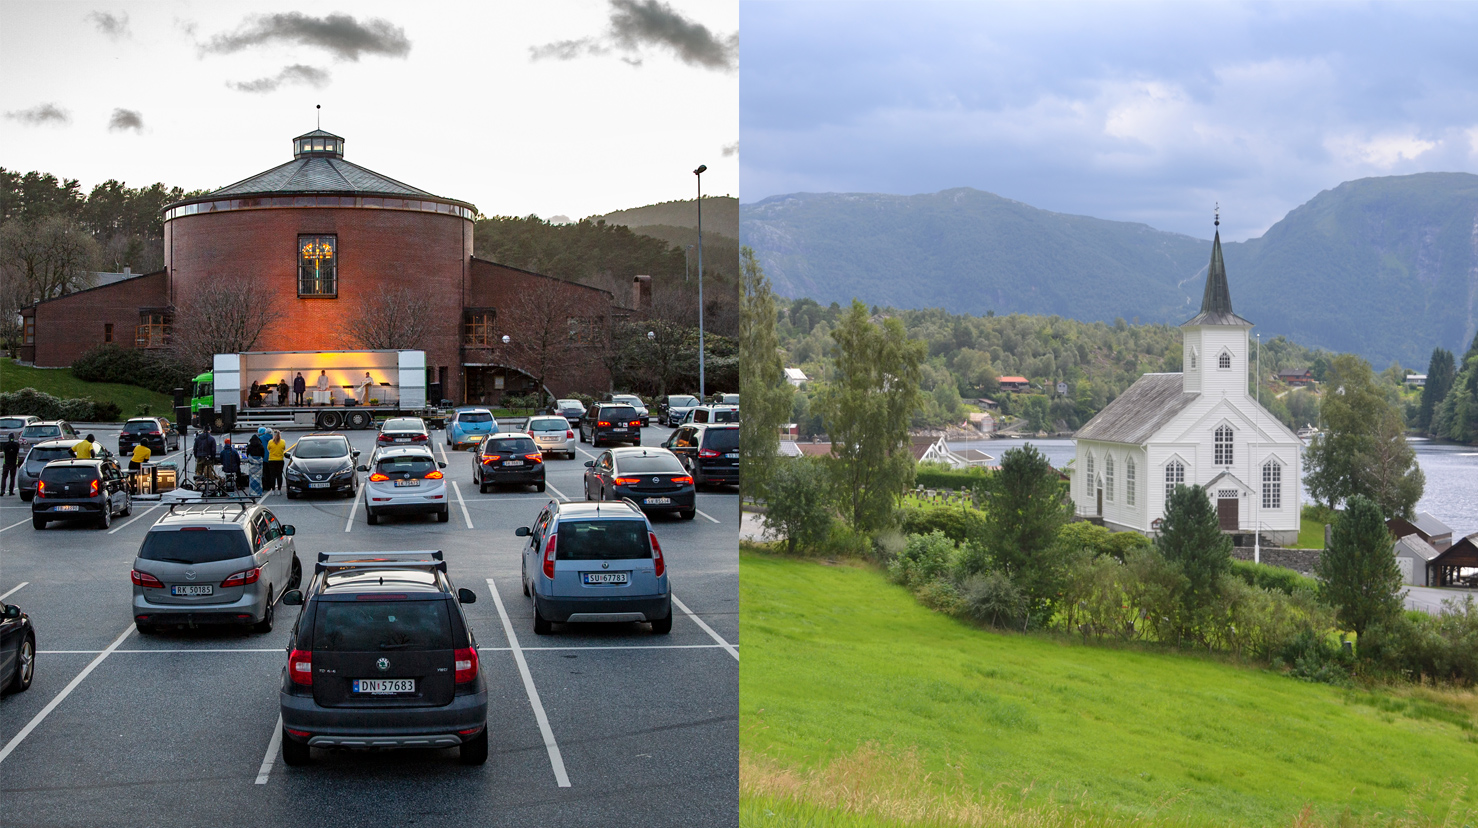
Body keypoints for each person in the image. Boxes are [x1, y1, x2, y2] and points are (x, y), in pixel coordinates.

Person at [246, 427, 266, 496]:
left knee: (252, 478)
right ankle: (258, 492)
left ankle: (252, 492)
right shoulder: (260, 446)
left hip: (252, 464)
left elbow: (247, 453)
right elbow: (263, 454)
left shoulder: (250, 446)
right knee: (259, 477)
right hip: (259, 464)